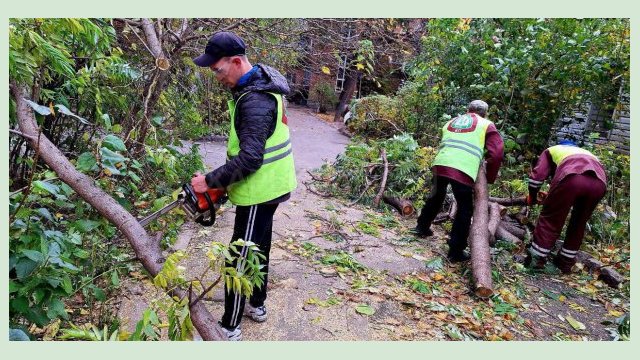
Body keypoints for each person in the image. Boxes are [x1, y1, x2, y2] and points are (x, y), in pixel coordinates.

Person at [191, 31, 297, 340]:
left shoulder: (255, 100)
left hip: (259, 190)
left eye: (218, 69)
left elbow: (250, 159)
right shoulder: (261, 83)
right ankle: (257, 304)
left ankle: (229, 328)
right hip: (273, 185)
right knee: (259, 248)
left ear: (236, 61)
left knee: (239, 257)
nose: (216, 76)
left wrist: (208, 182)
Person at [414, 100, 504, 262]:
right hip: (463, 167)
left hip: (441, 163)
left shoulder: (452, 121)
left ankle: (421, 227)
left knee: (436, 196)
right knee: (464, 209)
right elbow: (496, 153)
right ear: (485, 113)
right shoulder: (486, 124)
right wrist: (489, 176)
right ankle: (455, 251)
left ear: (468, 110)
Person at [524, 140, 607, 273]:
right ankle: (565, 262)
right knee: (579, 222)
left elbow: (536, 178)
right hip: (599, 184)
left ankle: (536, 260)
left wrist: (533, 197)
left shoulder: (551, 150)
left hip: (571, 177)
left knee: (551, 219)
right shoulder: (587, 154)